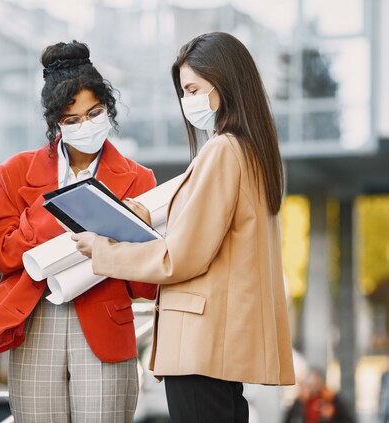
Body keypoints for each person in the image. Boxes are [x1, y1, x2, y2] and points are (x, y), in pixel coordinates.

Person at [72, 32, 295, 423]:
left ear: (224, 83)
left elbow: (182, 258)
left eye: (193, 89)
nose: (186, 101)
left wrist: (102, 249)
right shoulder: (253, 151)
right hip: (220, 345)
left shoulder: (223, 151)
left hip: (199, 345)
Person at [0, 41, 157, 422]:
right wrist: (56, 210)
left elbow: (148, 279)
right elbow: (2, 253)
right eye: (71, 120)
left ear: (108, 109)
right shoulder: (12, 172)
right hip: (37, 317)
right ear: (54, 122)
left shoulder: (140, 179)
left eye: (94, 113)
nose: (85, 125)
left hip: (105, 322)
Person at [283, 369, 354, 423]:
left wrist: (331, 417)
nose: (312, 386)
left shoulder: (331, 398)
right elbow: (290, 418)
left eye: (315, 382)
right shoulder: (302, 399)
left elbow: (348, 419)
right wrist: (299, 403)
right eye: (310, 383)